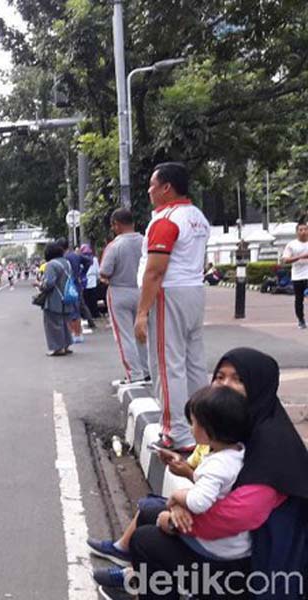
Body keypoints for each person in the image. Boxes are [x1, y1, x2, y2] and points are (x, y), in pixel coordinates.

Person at [93, 348, 308, 599]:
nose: (225, 385)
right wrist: (183, 489)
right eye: (220, 376)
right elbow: (224, 486)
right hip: (235, 543)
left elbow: (239, 515)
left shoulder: (271, 445)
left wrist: (175, 521)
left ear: (259, 386)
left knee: (146, 540)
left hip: (257, 568)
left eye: (238, 379)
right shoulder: (240, 428)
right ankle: (138, 580)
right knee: (151, 510)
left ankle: (146, 582)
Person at [90, 385, 250, 589]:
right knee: (150, 509)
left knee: (144, 538)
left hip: (215, 549)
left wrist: (176, 497)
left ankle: (141, 580)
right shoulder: (237, 453)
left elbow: (198, 502)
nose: (190, 428)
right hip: (226, 541)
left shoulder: (218, 465)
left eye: (193, 423)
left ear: (210, 430)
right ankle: (131, 571)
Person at [135, 162, 212, 452]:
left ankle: (175, 434)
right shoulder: (198, 218)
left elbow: (155, 271)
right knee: (193, 363)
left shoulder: (166, 220)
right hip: (193, 291)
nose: (149, 190)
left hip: (169, 293)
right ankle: (203, 429)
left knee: (168, 366)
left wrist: (142, 313)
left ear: (167, 187)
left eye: (153, 185)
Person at [100, 208, 149, 384]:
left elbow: (105, 272)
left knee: (125, 336)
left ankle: (134, 375)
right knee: (143, 333)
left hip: (119, 292)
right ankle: (147, 370)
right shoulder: (145, 241)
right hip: (143, 292)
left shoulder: (114, 246)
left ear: (116, 225)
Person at [36, 243, 74, 357]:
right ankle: (66, 345)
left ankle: (58, 348)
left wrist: (39, 284)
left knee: (53, 323)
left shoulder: (51, 265)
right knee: (65, 322)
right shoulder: (67, 263)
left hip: (55, 298)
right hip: (67, 296)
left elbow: (49, 283)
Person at [62, 240, 92, 341]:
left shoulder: (63, 258)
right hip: (76, 284)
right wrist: (82, 273)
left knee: (69, 309)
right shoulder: (75, 256)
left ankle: (73, 333)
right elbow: (89, 261)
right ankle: (78, 333)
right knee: (76, 308)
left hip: (66, 285)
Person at [281, 220, 308, 329]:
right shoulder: (291, 245)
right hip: (297, 276)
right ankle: (301, 319)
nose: (303, 232)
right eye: (301, 230)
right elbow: (285, 260)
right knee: (299, 299)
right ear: (297, 232)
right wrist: (300, 257)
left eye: (305, 229)